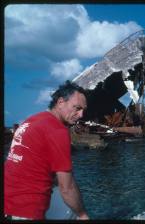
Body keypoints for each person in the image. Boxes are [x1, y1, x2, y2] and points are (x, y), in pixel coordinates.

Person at [4, 81, 89, 220]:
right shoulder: (58, 131)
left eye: (83, 110)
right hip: (27, 209)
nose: (81, 115)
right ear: (61, 102)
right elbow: (66, 188)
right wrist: (83, 214)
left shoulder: (31, 120)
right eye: (77, 108)